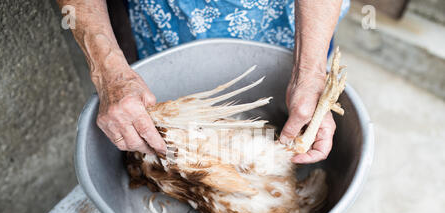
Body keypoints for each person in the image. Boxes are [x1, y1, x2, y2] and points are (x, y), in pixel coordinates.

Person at [58, 0, 349, 163]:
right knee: (164, 134)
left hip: (286, 17)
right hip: (168, 18)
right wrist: (110, 72)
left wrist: (309, 71)